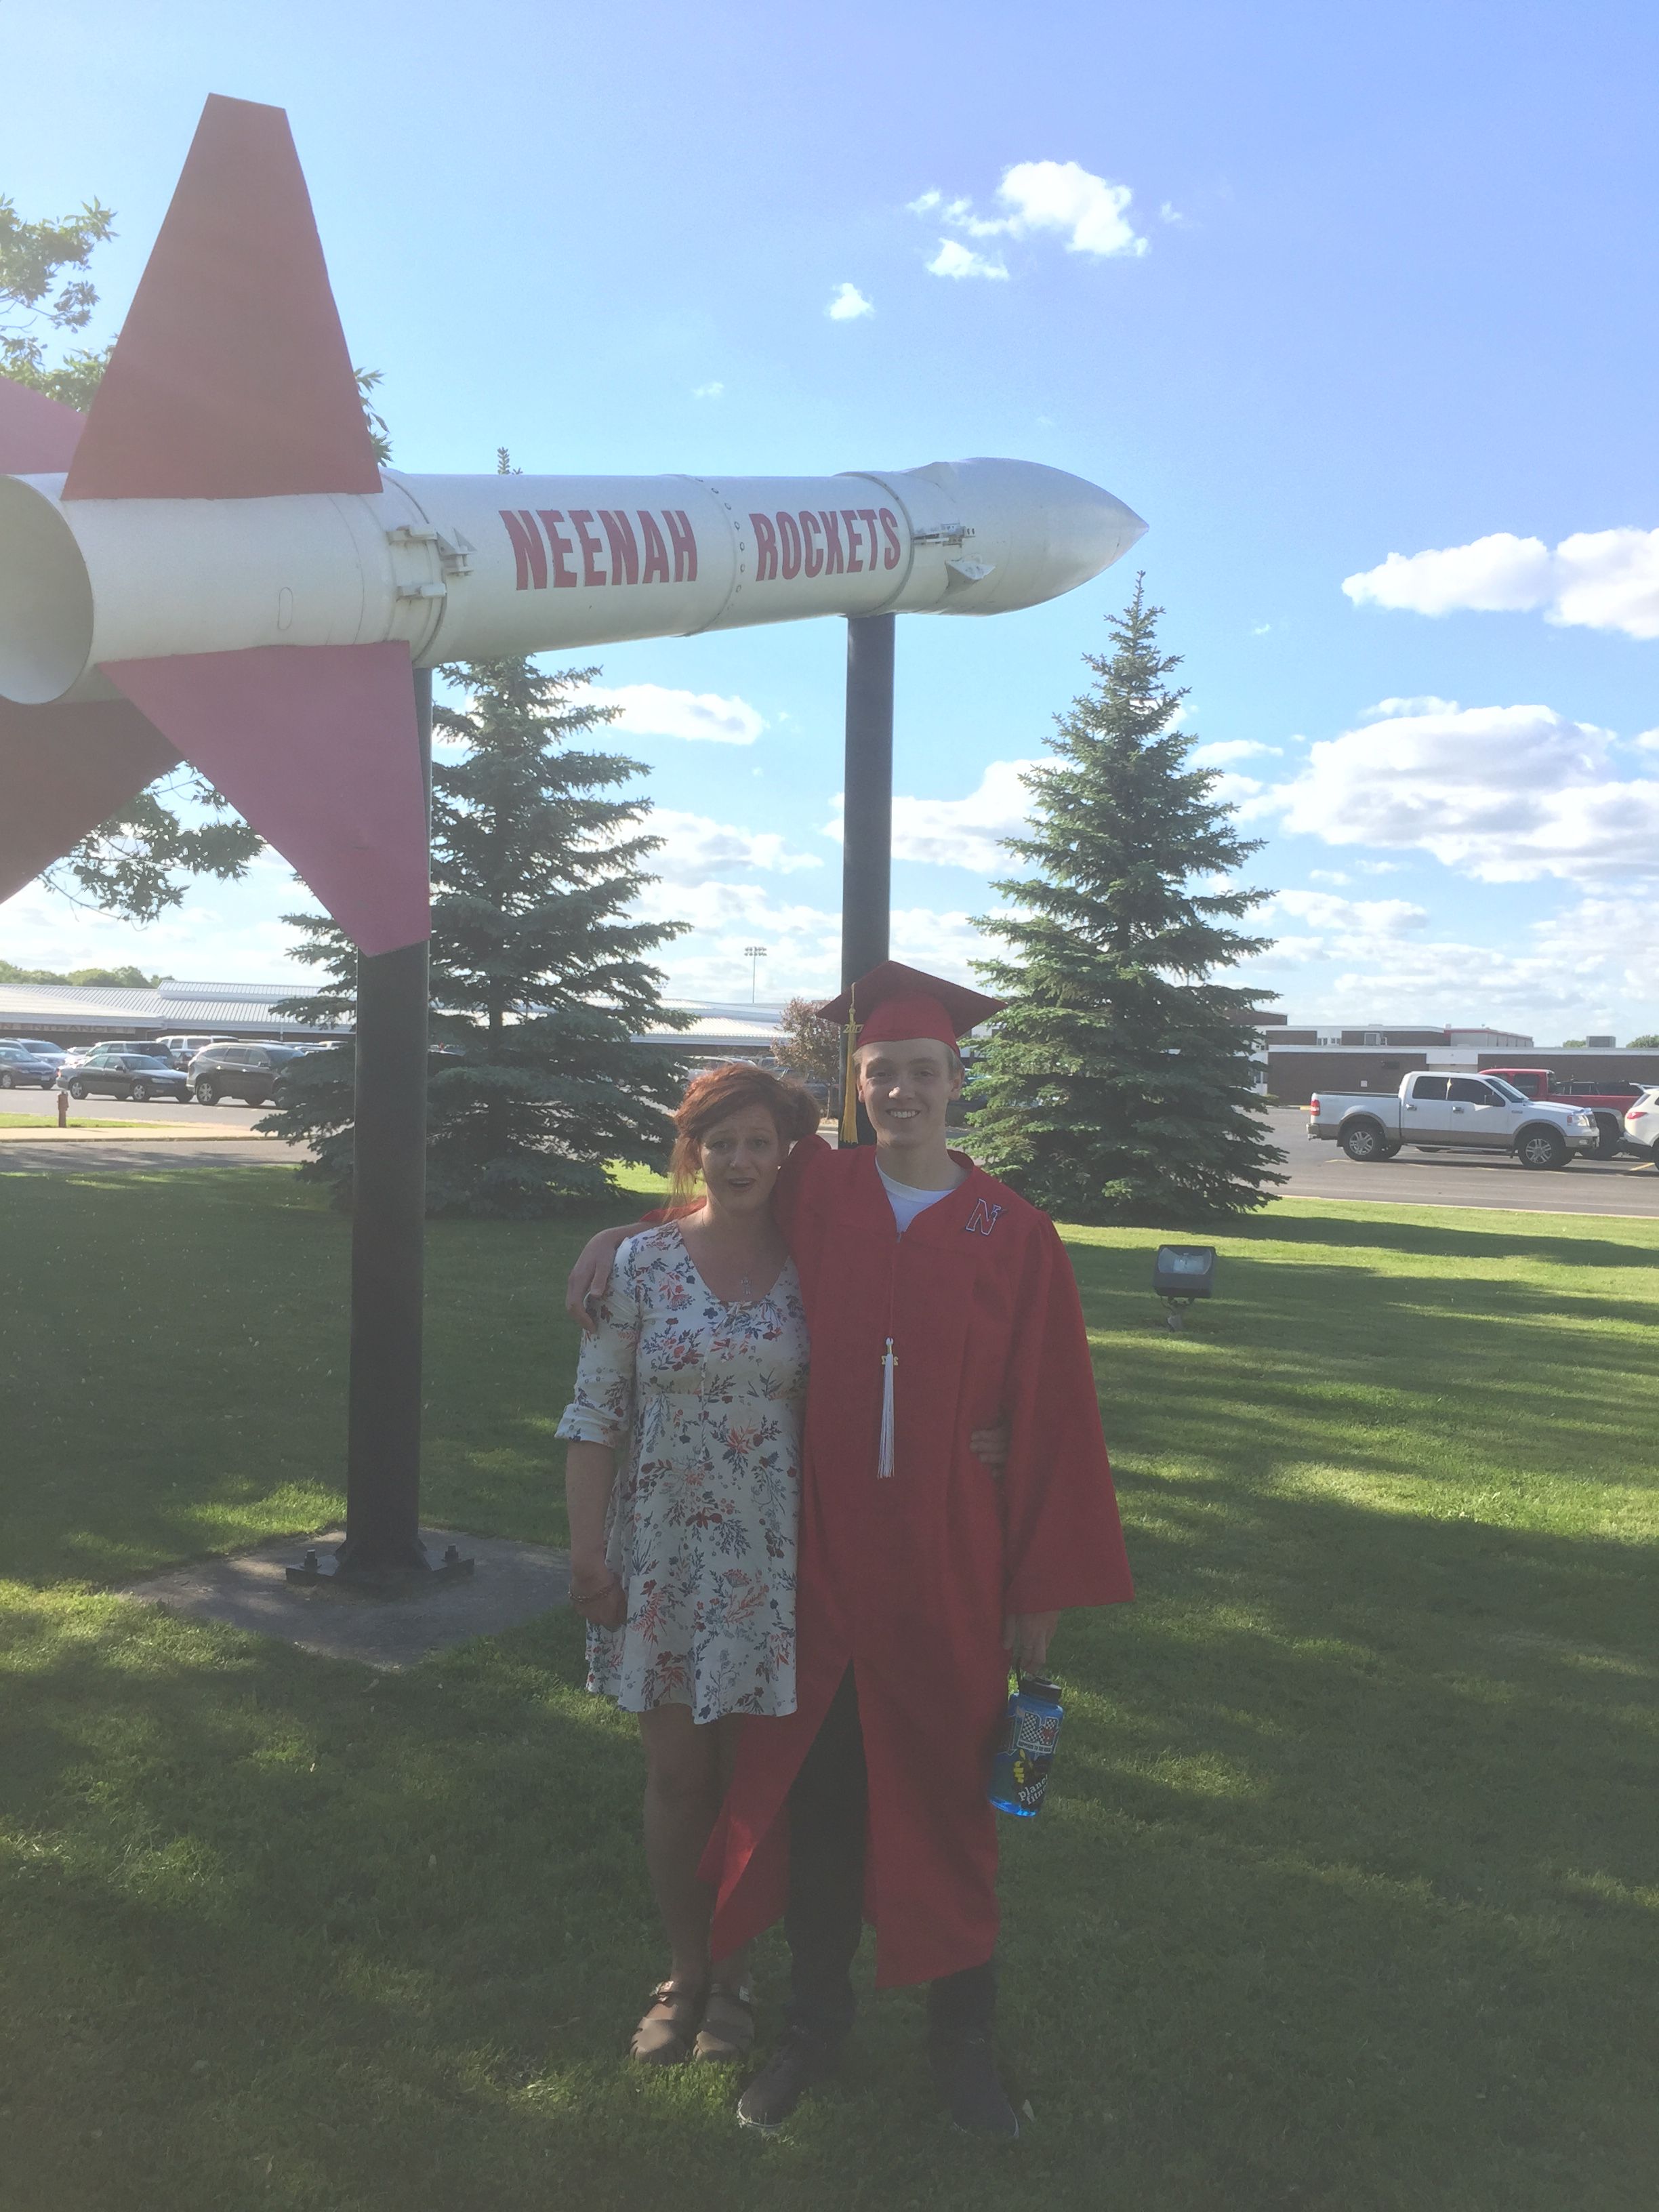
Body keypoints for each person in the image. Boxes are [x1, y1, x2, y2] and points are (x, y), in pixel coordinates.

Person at [567, 962, 1134, 2139]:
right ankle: (810, 2033)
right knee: (818, 1808)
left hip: (950, 1569)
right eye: (883, 1075)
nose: (904, 1092)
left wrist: (1041, 1589)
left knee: (951, 1807)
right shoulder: (825, 1193)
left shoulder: (1013, 1233)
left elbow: (1055, 1412)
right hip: (813, 1566)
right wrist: (625, 1230)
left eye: (924, 1073)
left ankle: (962, 2045)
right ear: (859, 1087)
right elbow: (727, 1192)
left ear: (956, 1081)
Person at [558, 1062, 819, 2066]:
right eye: (724, 1142)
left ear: (785, 1153)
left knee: (755, 1781)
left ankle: (740, 1976)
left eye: (762, 1142)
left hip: (779, 1559)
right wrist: (589, 1555)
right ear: (695, 1150)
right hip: (662, 1555)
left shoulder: (816, 1260)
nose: (744, 1160)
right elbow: (594, 1414)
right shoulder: (640, 1267)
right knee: (677, 1778)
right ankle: (687, 1972)